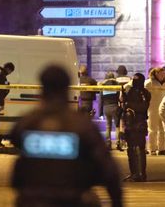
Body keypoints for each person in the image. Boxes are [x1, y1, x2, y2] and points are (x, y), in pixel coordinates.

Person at [10, 65, 123, 207]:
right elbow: (109, 170)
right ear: (66, 88)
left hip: (33, 200)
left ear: (42, 87)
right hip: (72, 200)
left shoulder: (28, 123)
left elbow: (15, 140)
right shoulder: (82, 126)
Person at [121, 73, 151, 182]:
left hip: (139, 124)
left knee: (139, 150)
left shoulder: (144, 93)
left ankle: (141, 174)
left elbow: (143, 107)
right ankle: (134, 173)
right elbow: (124, 106)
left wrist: (129, 104)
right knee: (131, 150)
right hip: (130, 124)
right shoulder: (130, 91)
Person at [144, 67, 165, 155]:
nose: (163, 76)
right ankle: (152, 148)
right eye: (161, 74)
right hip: (153, 108)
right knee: (152, 129)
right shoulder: (148, 83)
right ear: (156, 74)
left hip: (163, 109)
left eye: (164, 74)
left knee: (162, 129)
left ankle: (162, 148)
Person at [99, 72, 120, 150]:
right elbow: (119, 97)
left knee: (108, 127)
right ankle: (118, 143)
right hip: (115, 107)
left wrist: (100, 113)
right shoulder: (116, 85)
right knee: (117, 126)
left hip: (106, 107)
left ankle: (108, 144)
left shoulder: (103, 86)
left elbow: (101, 100)